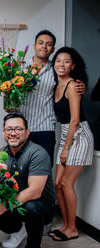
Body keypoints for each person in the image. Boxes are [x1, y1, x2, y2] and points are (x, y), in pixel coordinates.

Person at [0, 112, 56, 248]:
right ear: (4, 132)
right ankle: (17, 229)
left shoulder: (37, 153)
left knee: (32, 207)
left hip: (41, 207)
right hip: (15, 203)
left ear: (27, 132)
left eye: (18, 129)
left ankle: (33, 245)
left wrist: (3, 207)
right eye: (9, 129)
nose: (13, 133)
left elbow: (35, 192)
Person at [20, 30, 85, 164]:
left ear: (52, 49)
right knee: (19, 171)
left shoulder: (56, 69)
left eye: (48, 44)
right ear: (34, 46)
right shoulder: (20, 67)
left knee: (43, 171)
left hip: (45, 128)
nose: (44, 46)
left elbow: (68, 84)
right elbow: (7, 88)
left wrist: (82, 86)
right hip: (21, 127)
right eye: (41, 43)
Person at [49, 47, 94, 241]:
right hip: (67, 135)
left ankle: (72, 228)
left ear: (72, 65)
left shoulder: (73, 86)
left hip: (79, 135)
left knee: (67, 183)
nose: (61, 64)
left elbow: (75, 120)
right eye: (58, 60)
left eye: (66, 61)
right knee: (57, 184)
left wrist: (66, 148)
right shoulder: (55, 86)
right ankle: (67, 225)